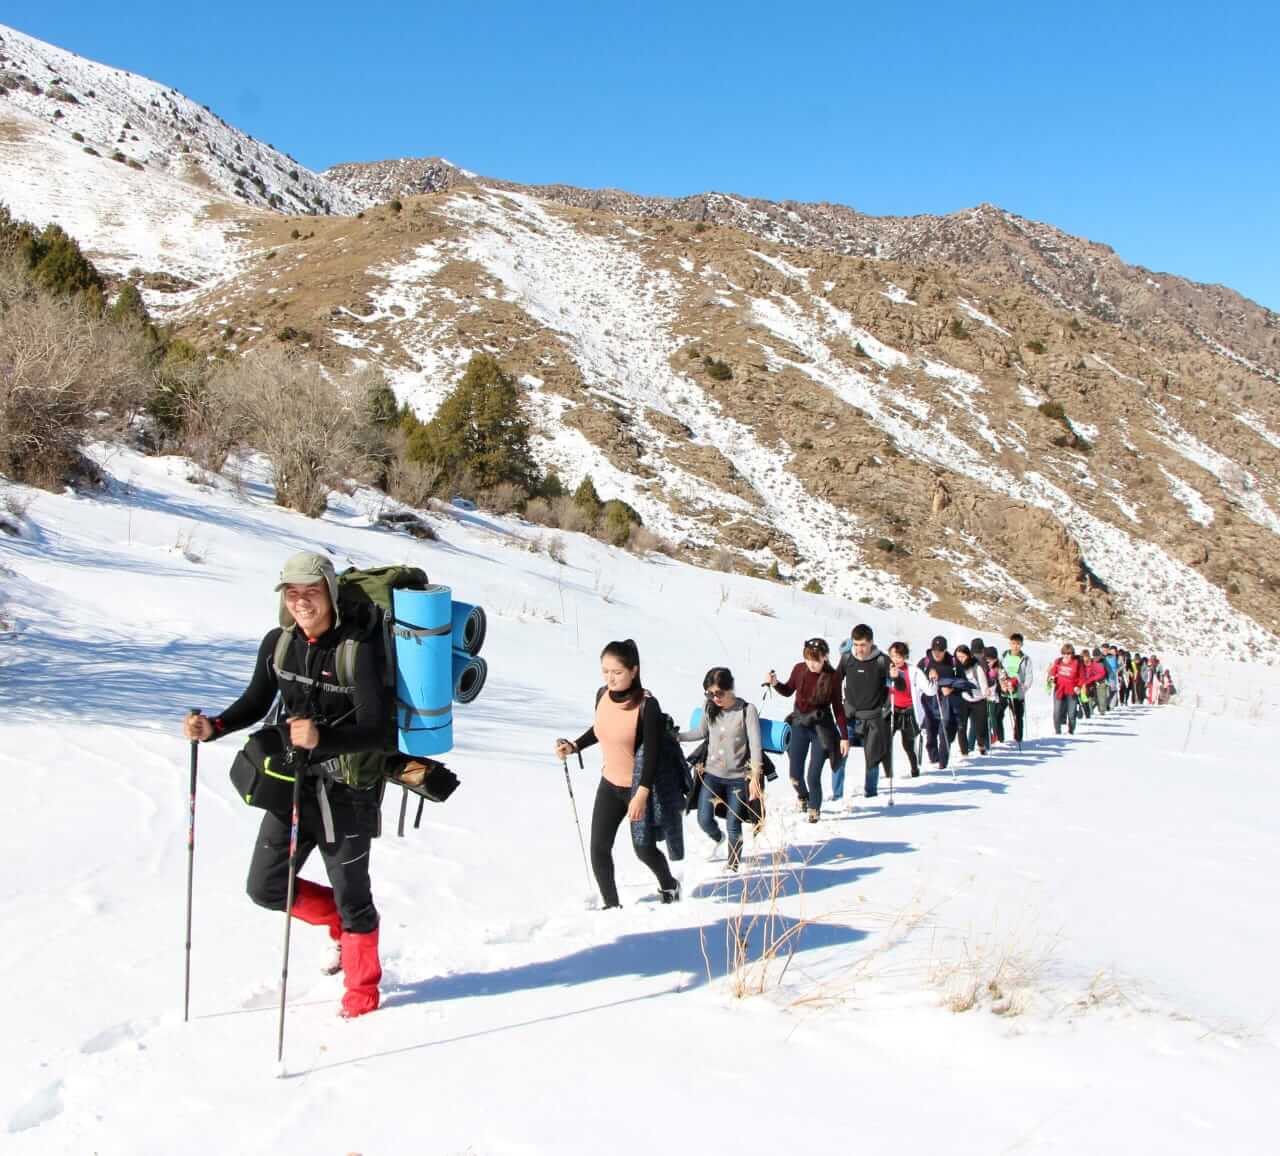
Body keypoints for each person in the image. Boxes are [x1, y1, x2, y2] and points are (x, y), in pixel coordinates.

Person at [183, 552, 387, 1019]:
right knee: (266, 887)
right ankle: (333, 920)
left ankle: (362, 998)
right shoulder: (278, 643)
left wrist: (325, 738)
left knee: (355, 897)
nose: (301, 602)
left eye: (311, 592)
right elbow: (256, 701)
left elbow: (380, 731)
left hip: (348, 793)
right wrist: (214, 726)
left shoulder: (358, 649)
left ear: (330, 592)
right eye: (292, 594)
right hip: (294, 785)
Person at [556, 640, 681, 909]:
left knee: (643, 850)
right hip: (609, 784)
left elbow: (653, 754)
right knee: (599, 848)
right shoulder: (602, 694)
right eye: (605, 671)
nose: (610, 678)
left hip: (638, 789)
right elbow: (601, 728)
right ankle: (611, 906)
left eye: (617, 672)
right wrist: (575, 745)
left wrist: (641, 794)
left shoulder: (648, 705)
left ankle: (669, 884)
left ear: (633, 671)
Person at [679, 668, 763, 871]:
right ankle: (718, 838)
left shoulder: (746, 710)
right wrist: (677, 737)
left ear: (730, 689)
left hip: (737, 777)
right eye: (709, 693)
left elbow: (755, 746)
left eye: (718, 693)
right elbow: (700, 732)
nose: (714, 698)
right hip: (711, 775)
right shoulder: (709, 707)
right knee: (703, 818)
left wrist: (754, 778)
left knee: (733, 823)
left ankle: (733, 865)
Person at [766, 638, 849, 822]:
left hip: (821, 729)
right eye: (808, 658)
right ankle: (803, 796)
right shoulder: (799, 669)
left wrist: (844, 736)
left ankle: (814, 809)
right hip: (799, 725)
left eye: (816, 659)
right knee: (795, 775)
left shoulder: (833, 677)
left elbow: (838, 708)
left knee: (813, 775)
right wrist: (775, 683)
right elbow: (788, 690)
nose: (811, 663)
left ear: (825, 658)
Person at [837, 624, 892, 799]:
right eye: (856, 644)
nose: (859, 649)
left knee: (872, 759)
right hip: (849, 715)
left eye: (863, 645)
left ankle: (871, 793)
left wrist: (897, 679)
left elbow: (898, 685)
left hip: (873, 716)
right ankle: (837, 796)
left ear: (871, 643)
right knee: (840, 755)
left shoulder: (882, 660)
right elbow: (834, 682)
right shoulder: (847, 659)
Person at [918, 636, 960, 770]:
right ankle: (934, 757)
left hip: (946, 701)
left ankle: (943, 763)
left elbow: (963, 682)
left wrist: (952, 689)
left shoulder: (953, 663)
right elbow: (916, 681)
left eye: (940, 650)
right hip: (929, 701)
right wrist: (927, 677)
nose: (937, 653)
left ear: (945, 650)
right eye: (935, 650)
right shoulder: (925, 662)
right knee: (930, 732)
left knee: (945, 732)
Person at [888, 641, 929, 776]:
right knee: (885, 742)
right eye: (893, 656)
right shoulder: (886, 669)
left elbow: (929, 690)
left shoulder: (913, 671)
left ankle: (914, 768)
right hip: (892, 710)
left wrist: (933, 681)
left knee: (907, 745)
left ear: (905, 657)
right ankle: (888, 772)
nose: (896, 660)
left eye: (899, 657)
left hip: (908, 711)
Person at [952, 645, 989, 756]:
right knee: (961, 726)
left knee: (979, 727)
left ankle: (981, 745)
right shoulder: (956, 669)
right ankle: (964, 751)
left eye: (962, 656)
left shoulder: (976, 667)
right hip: (963, 700)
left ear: (968, 655)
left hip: (978, 700)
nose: (960, 659)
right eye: (958, 657)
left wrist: (986, 691)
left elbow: (983, 683)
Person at [999, 633, 1033, 745]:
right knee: (998, 714)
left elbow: (1029, 675)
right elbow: (999, 670)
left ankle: (1018, 738)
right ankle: (1000, 738)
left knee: (1018, 716)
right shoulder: (1004, 656)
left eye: (1018, 644)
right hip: (1004, 691)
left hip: (1018, 692)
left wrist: (1025, 686)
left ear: (1021, 644)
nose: (1015, 646)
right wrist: (1002, 683)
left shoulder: (1026, 659)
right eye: (1013, 643)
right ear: (1010, 644)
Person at [1048, 644, 1082, 735]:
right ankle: (1057, 731)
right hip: (1059, 690)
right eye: (1064, 653)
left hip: (1072, 691)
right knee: (1056, 712)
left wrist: (1079, 686)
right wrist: (1052, 678)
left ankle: (1071, 731)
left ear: (1072, 654)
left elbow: (1081, 677)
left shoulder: (1076, 663)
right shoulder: (1058, 661)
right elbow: (1053, 672)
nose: (1066, 655)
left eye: (1068, 653)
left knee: (1071, 714)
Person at [966, 636, 991, 754]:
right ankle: (985, 745)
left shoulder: (968, 661)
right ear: (982, 650)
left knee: (973, 723)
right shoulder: (983, 662)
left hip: (969, 695)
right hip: (982, 695)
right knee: (982, 722)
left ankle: (970, 746)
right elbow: (989, 679)